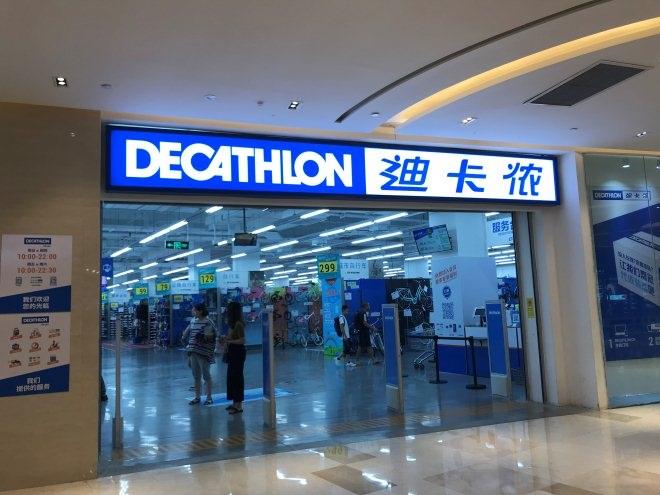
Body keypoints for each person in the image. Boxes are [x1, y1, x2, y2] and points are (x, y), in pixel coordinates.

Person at [184, 303, 217, 405]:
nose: (192, 311)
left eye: (194, 310)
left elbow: (212, 336)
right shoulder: (193, 321)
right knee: (196, 375)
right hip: (193, 351)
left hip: (204, 353)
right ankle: (197, 397)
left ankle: (209, 398)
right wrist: (185, 338)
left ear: (200, 311)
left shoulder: (207, 322)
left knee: (206, 375)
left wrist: (203, 337)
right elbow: (188, 332)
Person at [221, 301, 246, 414]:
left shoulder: (238, 324)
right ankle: (235, 402)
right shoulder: (232, 324)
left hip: (238, 352)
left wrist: (229, 341)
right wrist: (226, 339)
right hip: (232, 352)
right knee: (231, 378)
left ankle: (239, 405)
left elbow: (242, 340)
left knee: (237, 378)